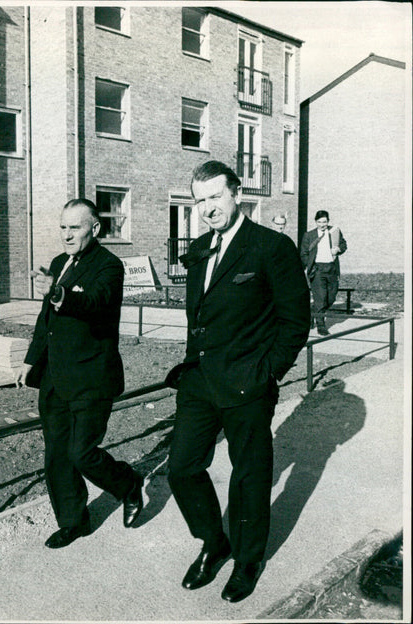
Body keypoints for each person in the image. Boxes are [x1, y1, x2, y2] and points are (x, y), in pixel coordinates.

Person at [165, 161, 310, 602]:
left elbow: (294, 322)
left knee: (249, 476)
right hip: (200, 381)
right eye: (199, 200)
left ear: (236, 193)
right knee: (182, 467)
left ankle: (248, 560)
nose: (207, 208)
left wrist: (267, 374)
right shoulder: (201, 248)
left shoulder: (271, 247)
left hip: (249, 382)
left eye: (214, 196)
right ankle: (215, 541)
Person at [15, 198, 143, 549]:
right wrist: (30, 361)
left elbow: (96, 305)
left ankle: (128, 484)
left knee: (82, 453)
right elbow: (47, 321)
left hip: (92, 377)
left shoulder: (109, 267)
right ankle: (73, 521)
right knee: (57, 454)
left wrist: (57, 291)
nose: (67, 235)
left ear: (95, 229)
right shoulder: (59, 262)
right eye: (63, 227)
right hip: (56, 377)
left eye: (75, 227)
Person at [300, 210, 347, 335]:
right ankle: (321, 325)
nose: (322, 224)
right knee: (320, 298)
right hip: (318, 270)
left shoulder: (334, 231)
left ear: (328, 221)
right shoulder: (309, 235)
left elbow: (343, 244)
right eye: (319, 222)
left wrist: (339, 249)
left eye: (324, 221)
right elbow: (304, 253)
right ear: (316, 222)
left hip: (332, 268)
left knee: (331, 297)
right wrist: (311, 267)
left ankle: (312, 312)